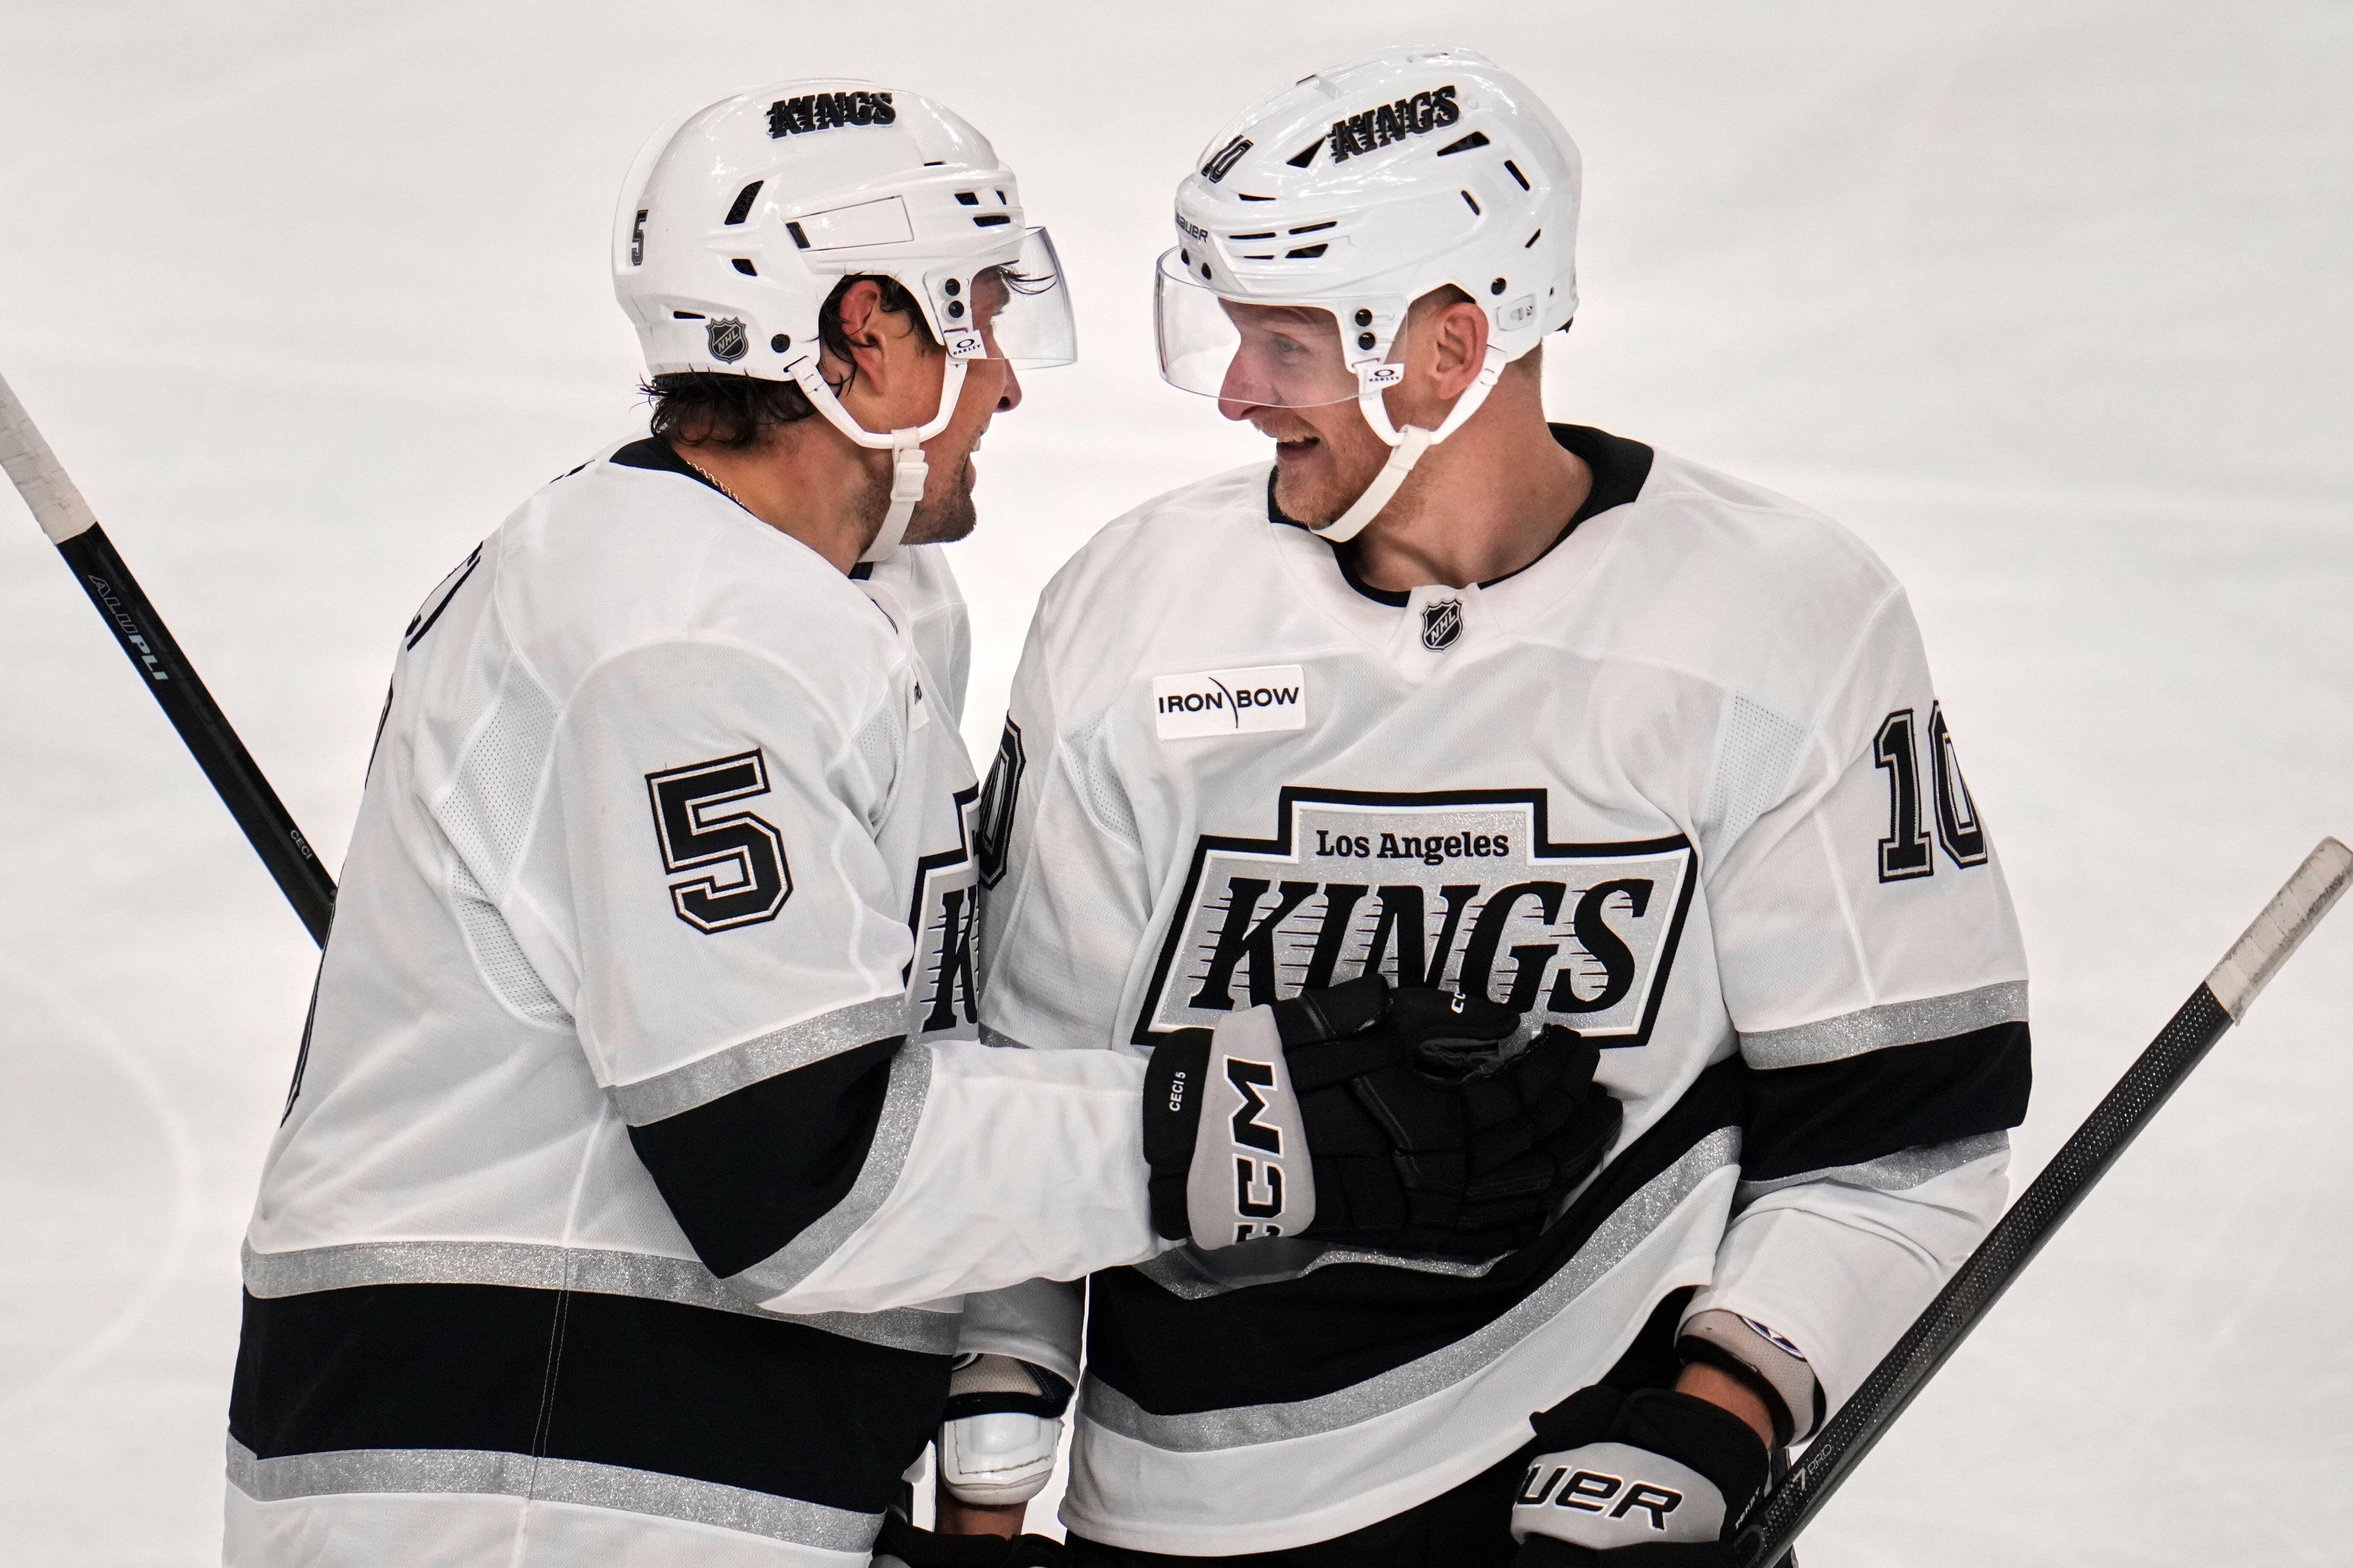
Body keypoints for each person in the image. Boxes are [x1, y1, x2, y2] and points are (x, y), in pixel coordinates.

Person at [223, 77, 1599, 1568]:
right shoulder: (677, 641)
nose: (1006, 378)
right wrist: (1265, 1125)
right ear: (866, 332)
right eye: (983, 317)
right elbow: (792, 1176)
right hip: (523, 1490)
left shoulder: (801, 606)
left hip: (660, 1470)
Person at [976, 46, 2033, 1566]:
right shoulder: (1133, 612)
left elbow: (1898, 1134)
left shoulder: (1779, 619)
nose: (1234, 390)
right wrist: (991, 1477)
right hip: (1177, 1519)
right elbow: (1017, 1105)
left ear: (1452, 347)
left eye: (1284, 343)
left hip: (1582, 1499)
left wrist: (1720, 1413)